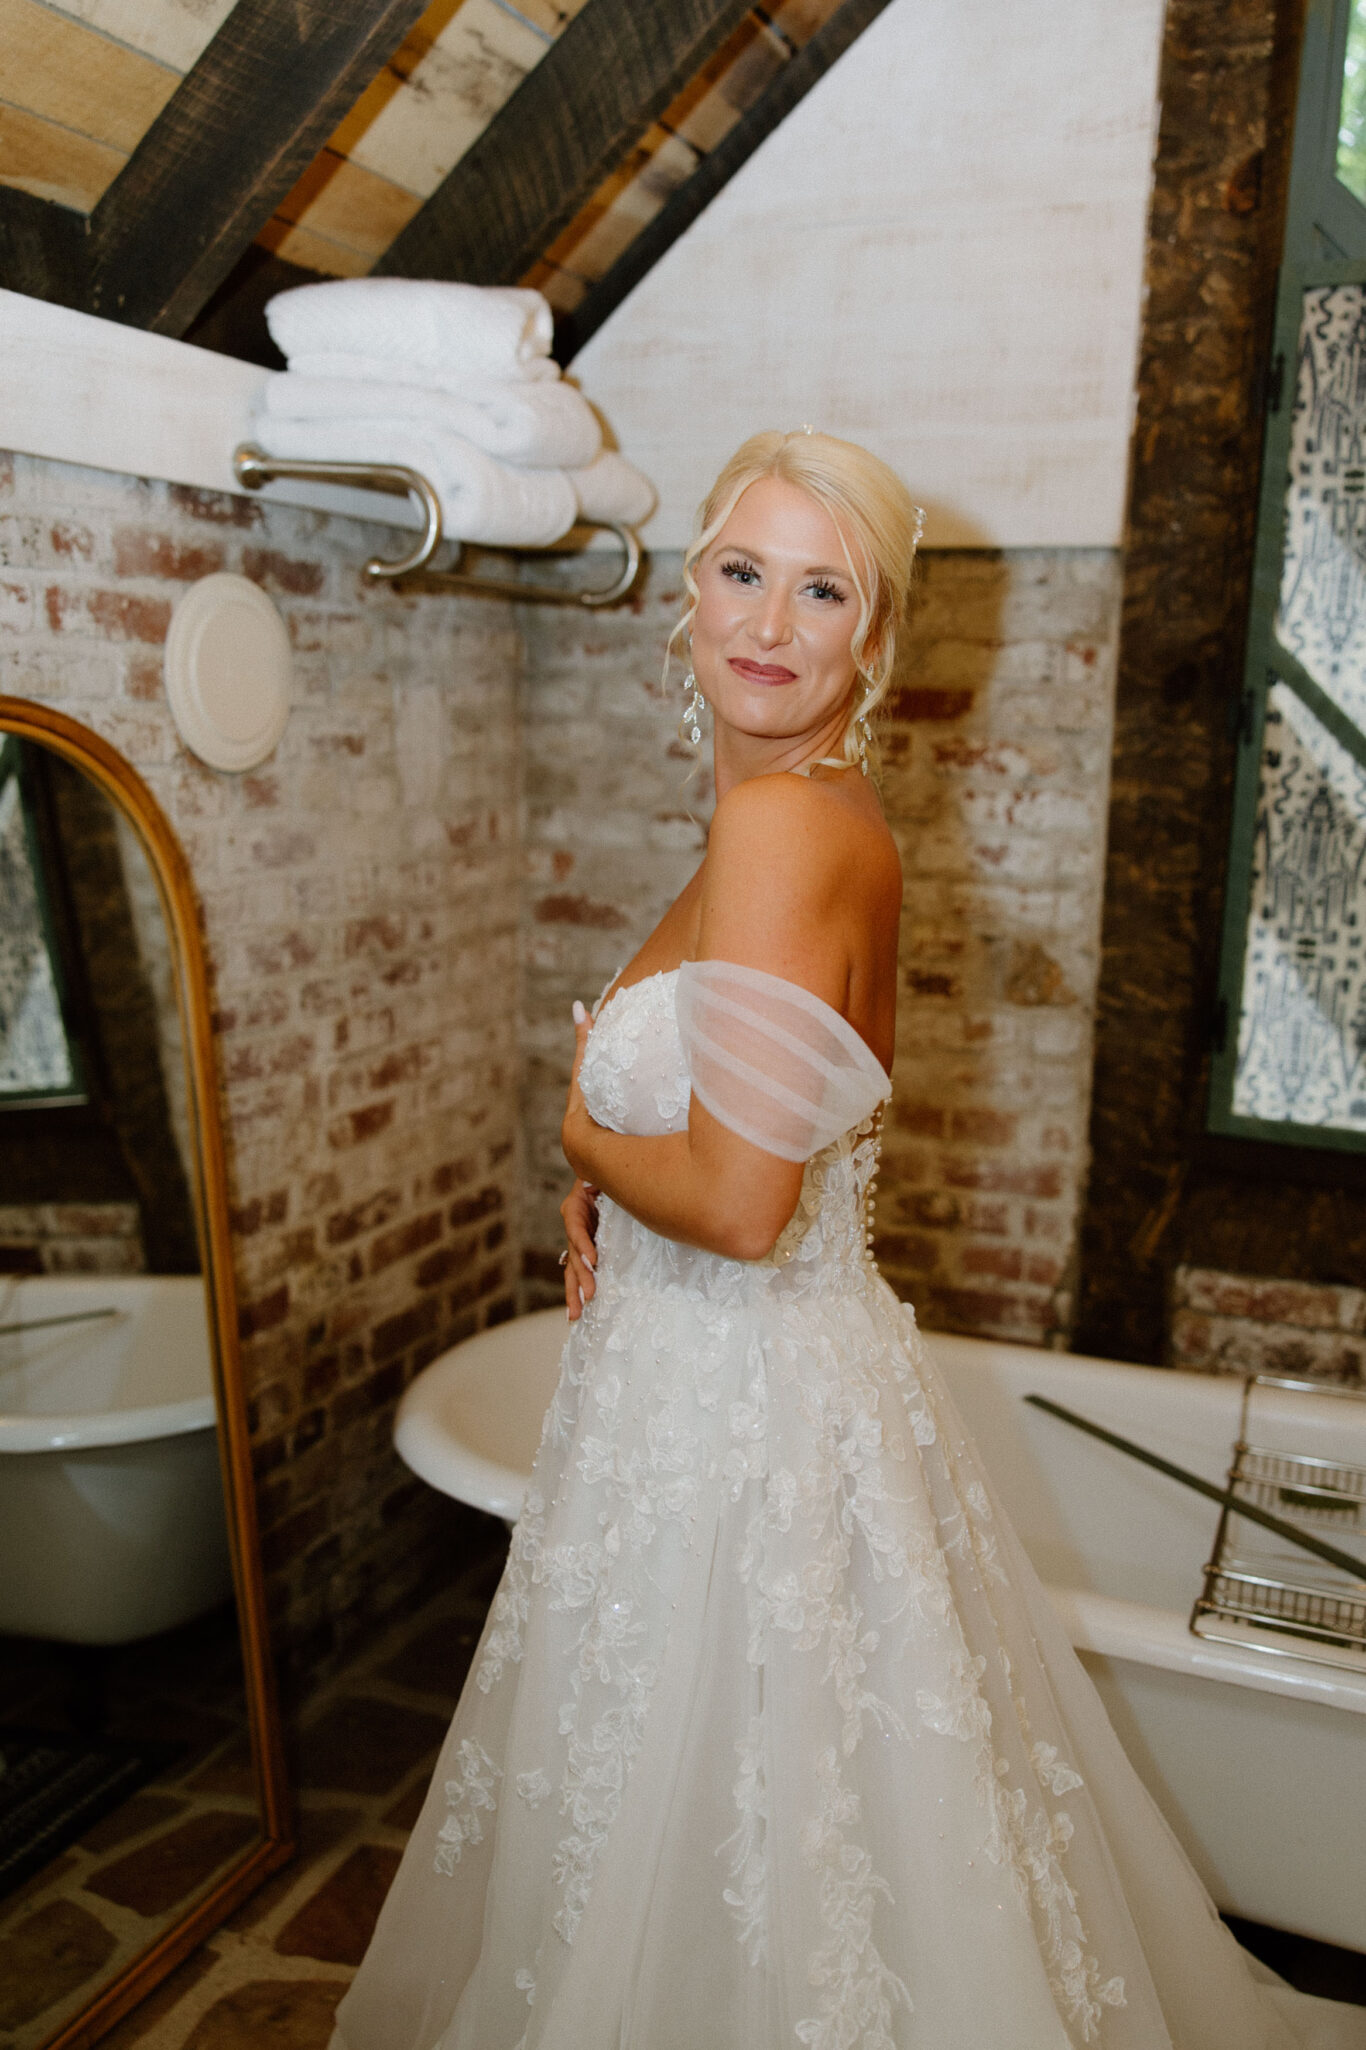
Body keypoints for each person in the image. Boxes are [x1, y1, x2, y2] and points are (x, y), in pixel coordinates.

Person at [330, 432, 1365, 2050]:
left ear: (868, 641)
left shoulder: (778, 833)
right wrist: (620, 1168)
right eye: (743, 570)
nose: (769, 619)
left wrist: (580, 1136)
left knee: (728, 1831)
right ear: (689, 600)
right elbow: (751, 1125)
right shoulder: (811, 812)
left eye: (822, 590)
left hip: (730, 1405)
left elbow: (742, 1207)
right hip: (752, 1387)